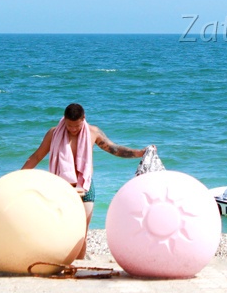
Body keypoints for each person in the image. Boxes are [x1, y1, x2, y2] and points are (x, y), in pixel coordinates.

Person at [22, 103, 150, 259]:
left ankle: (79, 263)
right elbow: (36, 156)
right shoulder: (54, 133)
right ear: (64, 120)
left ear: (84, 119)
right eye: (69, 125)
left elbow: (114, 149)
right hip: (61, 188)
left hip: (85, 187)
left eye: (76, 126)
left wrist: (140, 153)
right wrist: (18, 177)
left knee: (81, 232)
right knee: (60, 230)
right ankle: (61, 260)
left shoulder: (92, 132)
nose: (73, 129)